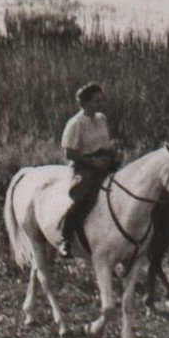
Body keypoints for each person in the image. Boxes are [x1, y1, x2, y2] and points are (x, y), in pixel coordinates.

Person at [57, 82, 119, 259]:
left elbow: (104, 142)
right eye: (96, 101)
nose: (100, 105)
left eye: (102, 100)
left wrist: (112, 150)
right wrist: (92, 162)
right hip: (85, 166)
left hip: (106, 161)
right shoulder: (75, 123)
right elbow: (69, 152)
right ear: (85, 103)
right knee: (83, 198)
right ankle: (65, 239)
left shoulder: (101, 119)